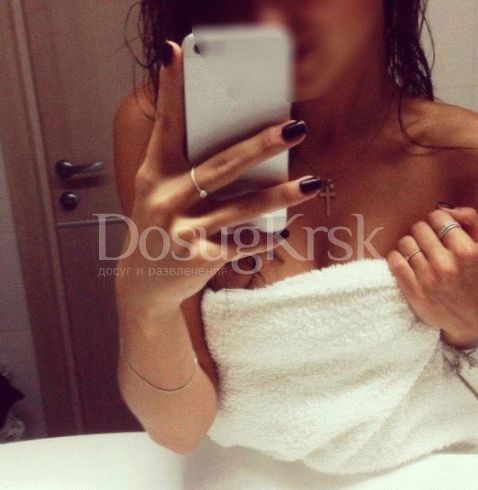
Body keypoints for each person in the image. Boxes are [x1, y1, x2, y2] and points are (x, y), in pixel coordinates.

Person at [113, 0, 478, 471]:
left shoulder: (463, 154)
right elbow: (178, 430)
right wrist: (144, 302)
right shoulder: (160, 132)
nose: (270, 21)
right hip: (241, 478)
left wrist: (470, 332)